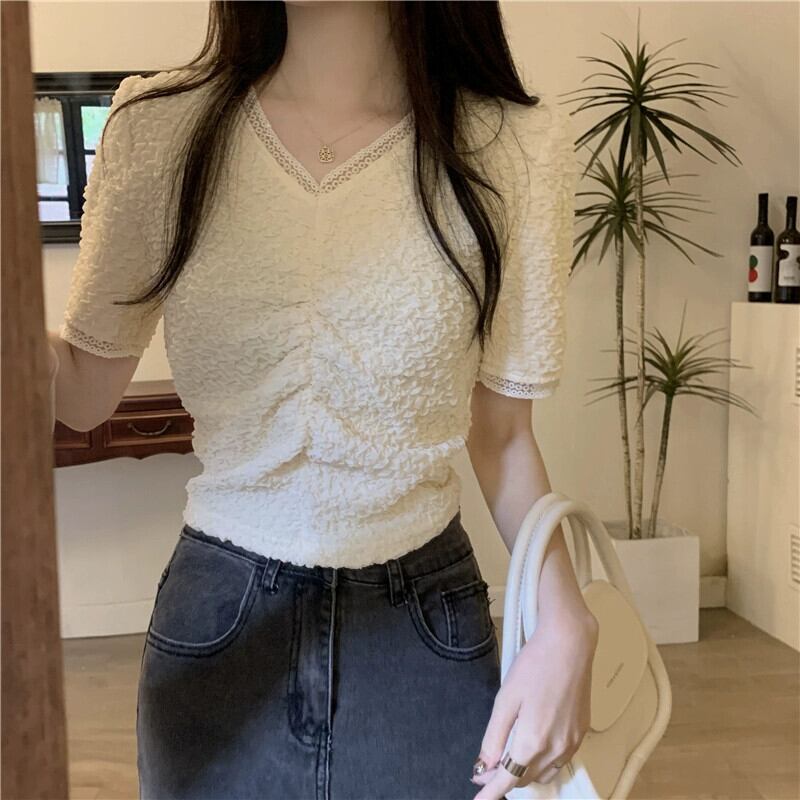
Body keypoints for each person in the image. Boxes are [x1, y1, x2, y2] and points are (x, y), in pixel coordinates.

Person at [47, 2, 598, 799]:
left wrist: (565, 616)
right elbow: (81, 393)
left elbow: (505, 435)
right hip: (219, 624)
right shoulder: (160, 130)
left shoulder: (513, 150)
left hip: (423, 628)